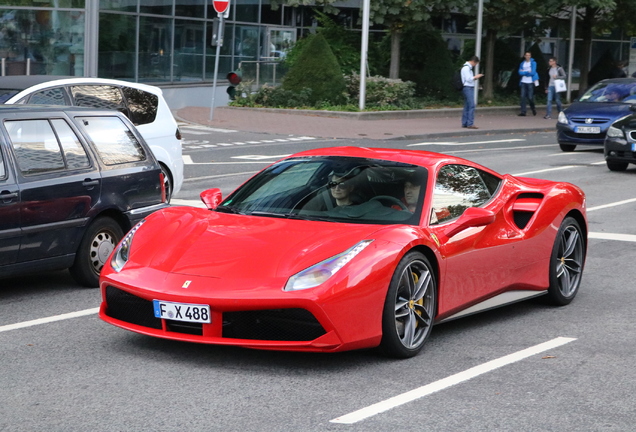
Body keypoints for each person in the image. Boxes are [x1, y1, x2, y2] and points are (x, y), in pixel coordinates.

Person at [460, 55, 484, 129]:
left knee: (467, 105)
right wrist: (476, 77)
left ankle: (465, 122)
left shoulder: (466, 68)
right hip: (468, 87)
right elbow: (468, 79)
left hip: (467, 87)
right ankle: (470, 123)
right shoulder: (467, 68)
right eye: (476, 64)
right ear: (473, 62)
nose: (475, 65)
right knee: (471, 105)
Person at [518, 51, 539, 116]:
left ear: (530, 56)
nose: (527, 56)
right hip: (523, 81)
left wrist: (524, 72)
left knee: (530, 97)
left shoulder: (533, 63)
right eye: (526, 55)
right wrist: (527, 72)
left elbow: (533, 72)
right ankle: (523, 111)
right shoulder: (522, 63)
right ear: (524, 56)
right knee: (522, 97)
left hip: (530, 81)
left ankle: (533, 108)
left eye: (529, 55)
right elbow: (519, 72)